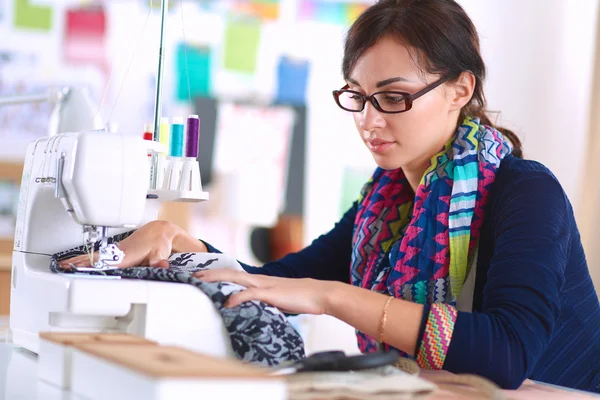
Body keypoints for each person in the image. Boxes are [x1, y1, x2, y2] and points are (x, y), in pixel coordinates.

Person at [64, 0, 600, 393]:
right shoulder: (387, 205)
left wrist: (333, 297)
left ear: (461, 89)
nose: (368, 120)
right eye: (358, 96)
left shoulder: (527, 192)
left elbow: (506, 353)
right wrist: (182, 241)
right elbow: (277, 279)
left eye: (393, 97)